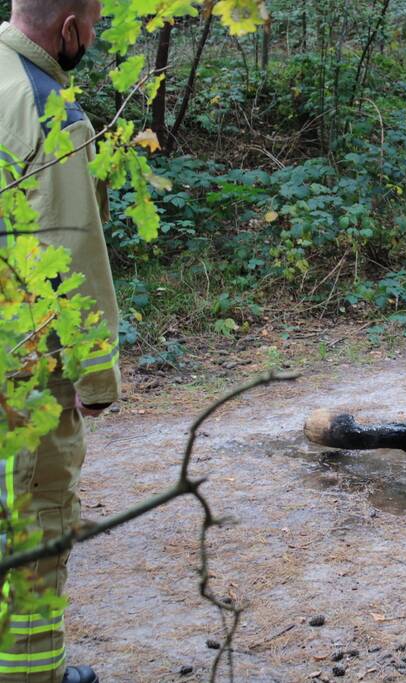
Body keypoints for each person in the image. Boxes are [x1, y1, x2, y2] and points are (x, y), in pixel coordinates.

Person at [0, 1, 118, 681]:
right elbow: (77, 253)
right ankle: (33, 672)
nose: (95, 39)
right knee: (36, 528)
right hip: (23, 369)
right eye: (94, 25)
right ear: (70, 26)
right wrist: (96, 378)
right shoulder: (51, 113)